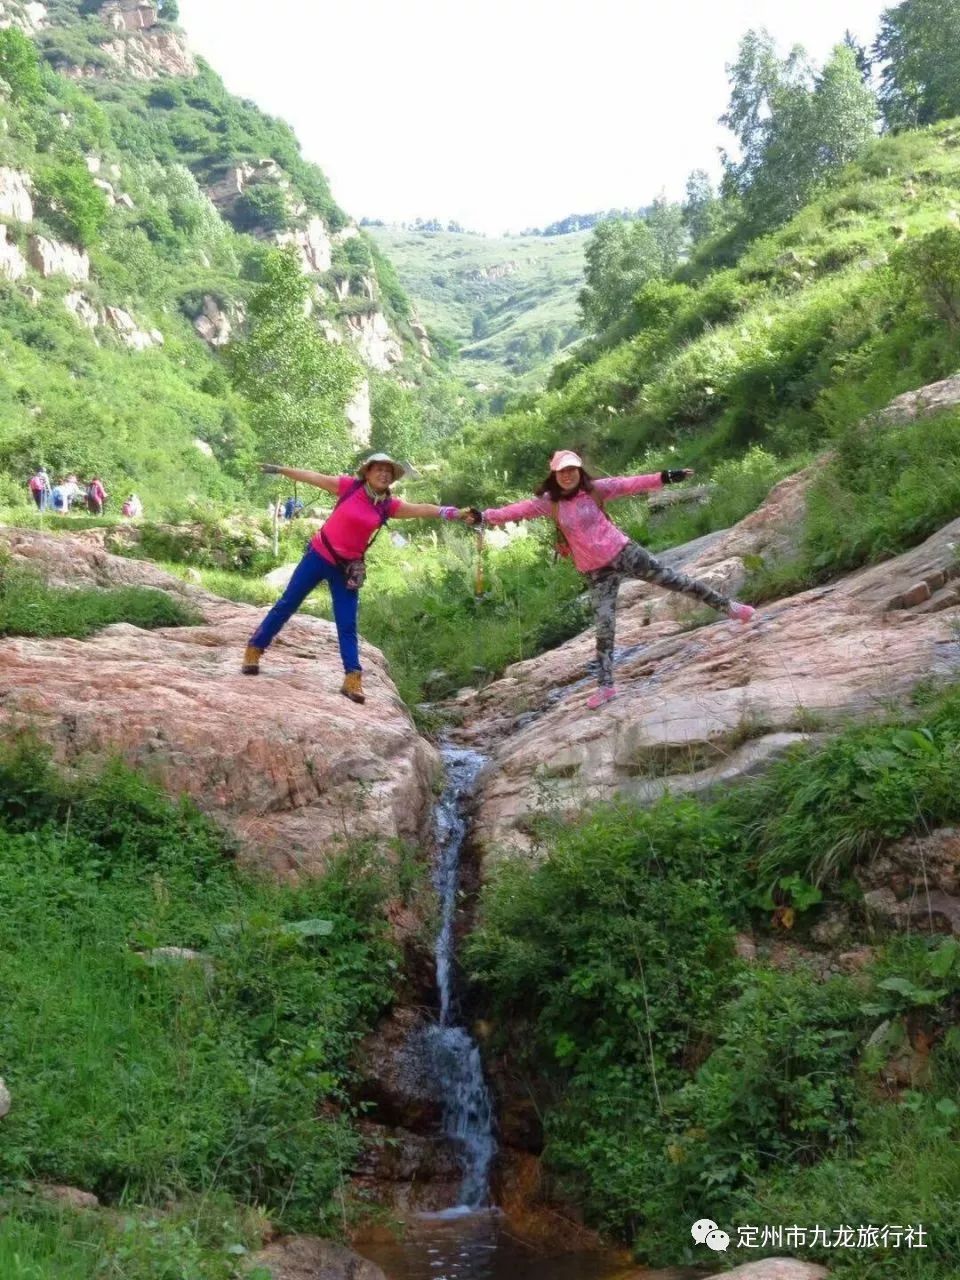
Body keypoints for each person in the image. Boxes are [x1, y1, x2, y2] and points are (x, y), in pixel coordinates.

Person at [465, 450, 755, 709]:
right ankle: (606, 687)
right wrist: (483, 517)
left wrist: (666, 477)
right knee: (604, 628)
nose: (568, 476)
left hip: (624, 552)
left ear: (579, 471)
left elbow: (631, 484)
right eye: (562, 472)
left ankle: (730, 608)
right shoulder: (548, 503)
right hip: (595, 571)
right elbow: (514, 511)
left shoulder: (596, 490)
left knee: (676, 581)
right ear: (554, 475)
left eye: (572, 470)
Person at [242, 452, 467, 704]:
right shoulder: (349, 487)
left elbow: (423, 510)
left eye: (388, 471)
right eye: (379, 469)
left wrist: (454, 513)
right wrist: (281, 470)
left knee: (347, 623)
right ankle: (254, 649)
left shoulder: (387, 506)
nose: (384, 474)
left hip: (346, 569)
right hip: (318, 556)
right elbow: (313, 477)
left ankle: (353, 678)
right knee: (287, 605)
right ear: (367, 473)